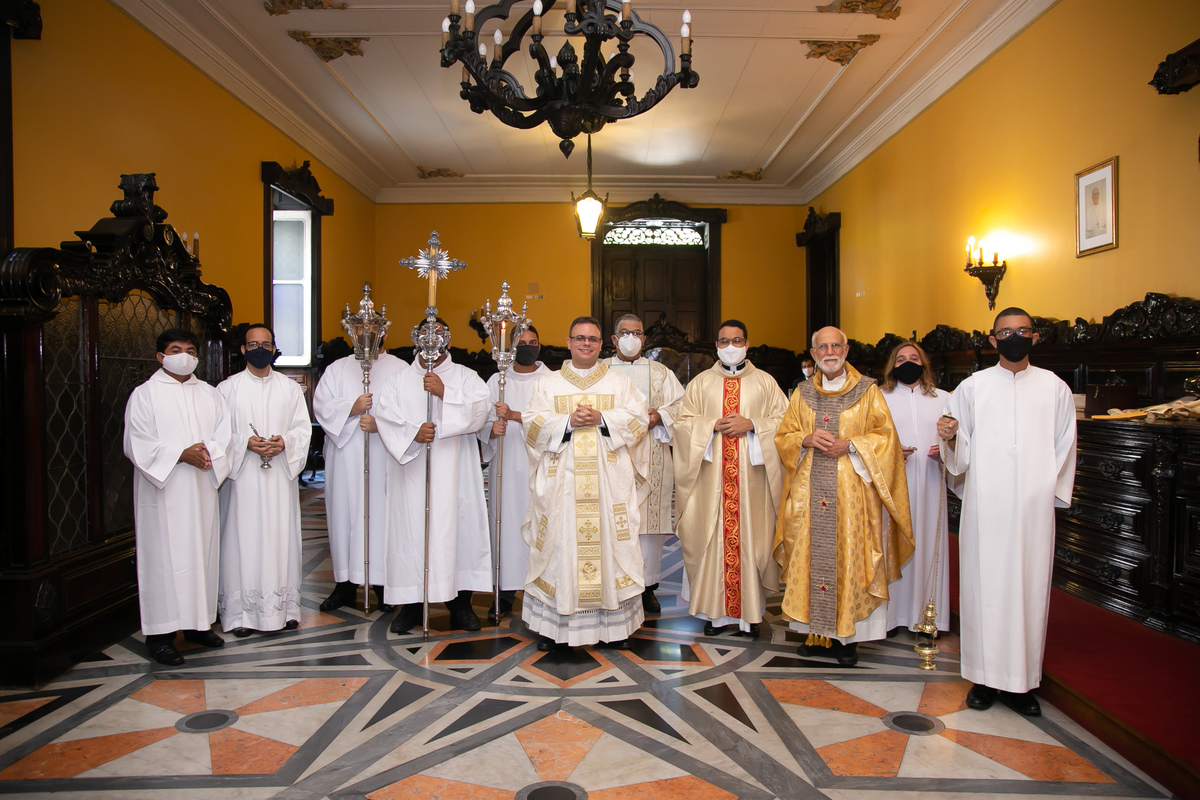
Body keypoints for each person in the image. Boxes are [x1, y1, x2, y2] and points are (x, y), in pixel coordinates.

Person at [938, 307, 1077, 717]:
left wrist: (1046, 491)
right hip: (986, 505)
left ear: (1034, 337)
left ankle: (1022, 683)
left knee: (1028, 590)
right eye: (1005, 332)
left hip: (1033, 508)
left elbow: (1065, 445)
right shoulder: (971, 387)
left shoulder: (1055, 388)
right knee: (984, 588)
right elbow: (957, 447)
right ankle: (982, 678)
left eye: (1022, 331)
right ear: (992, 339)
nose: (1014, 337)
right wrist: (948, 437)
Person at [773, 326, 913, 666]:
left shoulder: (868, 390)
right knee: (809, 557)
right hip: (810, 495)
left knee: (851, 556)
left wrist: (851, 445)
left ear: (846, 350)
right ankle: (815, 633)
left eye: (836, 345)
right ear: (813, 353)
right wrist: (805, 439)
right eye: (823, 347)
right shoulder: (802, 392)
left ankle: (848, 639)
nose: (830, 352)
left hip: (853, 497)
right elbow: (784, 435)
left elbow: (887, 439)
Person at [520, 316, 650, 650]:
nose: (586, 344)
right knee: (559, 547)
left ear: (600, 344)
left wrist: (601, 418)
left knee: (612, 547)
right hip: (562, 487)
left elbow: (639, 419)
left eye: (592, 339)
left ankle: (614, 628)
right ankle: (555, 629)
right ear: (568, 342)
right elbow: (531, 423)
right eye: (580, 338)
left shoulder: (619, 383)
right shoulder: (548, 384)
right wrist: (567, 422)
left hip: (608, 487)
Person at [374, 318, 492, 634]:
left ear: (449, 341)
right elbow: (385, 417)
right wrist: (412, 433)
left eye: (439, 334)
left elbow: (481, 412)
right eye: (426, 334)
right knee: (411, 534)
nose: (432, 340)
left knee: (458, 532)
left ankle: (461, 604)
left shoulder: (466, 377)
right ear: (416, 339)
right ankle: (411, 606)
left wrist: (444, 393)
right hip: (411, 474)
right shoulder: (398, 381)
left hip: (456, 473)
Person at [123, 328, 232, 665]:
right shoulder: (145, 395)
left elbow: (225, 436)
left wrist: (207, 453)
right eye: (175, 349)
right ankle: (160, 635)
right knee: (163, 561)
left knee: (202, 554)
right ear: (160, 356)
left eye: (190, 350)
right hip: (163, 492)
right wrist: (180, 454)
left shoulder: (211, 394)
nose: (184, 356)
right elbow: (136, 441)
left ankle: (199, 625)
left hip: (201, 489)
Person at [673, 320, 788, 637]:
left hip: (752, 483)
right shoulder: (700, 383)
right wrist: (710, 425)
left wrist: (753, 425)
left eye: (737, 340)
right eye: (724, 341)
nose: (730, 346)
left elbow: (787, 424)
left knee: (751, 542)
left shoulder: (765, 383)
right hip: (711, 483)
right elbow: (682, 424)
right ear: (716, 346)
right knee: (712, 541)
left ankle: (749, 616)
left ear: (747, 344)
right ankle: (715, 615)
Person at [216, 324, 312, 638]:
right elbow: (218, 434)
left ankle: (284, 611)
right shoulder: (226, 389)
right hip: (242, 479)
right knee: (242, 540)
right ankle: (241, 614)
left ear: (273, 348)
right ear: (243, 349)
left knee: (280, 538)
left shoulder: (289, 388)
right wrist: (244, 442)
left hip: (279, 480)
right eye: (253, 344)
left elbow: (302, 429)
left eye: (266, 344)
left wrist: (284, 442)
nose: (260, 349)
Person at [312, 335, 407, 612]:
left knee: (381, 517)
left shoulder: (400, 368)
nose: (367, 333)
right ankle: (344, 583)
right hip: (345, 456)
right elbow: (321, 407)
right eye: (361, 328)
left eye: (373, 328)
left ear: (384, 332)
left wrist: (382, 425)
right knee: (344, 516)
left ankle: (382, 583)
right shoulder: (337, 369)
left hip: (384, 457)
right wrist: (351, 409)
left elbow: (411, 413)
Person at [608, 314, 685, 613]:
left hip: (652, 455)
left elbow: (682, 406)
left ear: (644, 339)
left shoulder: (661, 373)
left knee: (648, 526)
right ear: (614, 339)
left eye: (637, 333)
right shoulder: (601, 371)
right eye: (624, 333)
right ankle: (614, 584)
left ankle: (647, 587)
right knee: (613, 522)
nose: (631, 338)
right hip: (612, 456)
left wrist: (660, 416)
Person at [477, 325, 550, 624]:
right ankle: (504, 592)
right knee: (505, 525)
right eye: (521, 342)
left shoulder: (551, 381)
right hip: (505, 466)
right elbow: (481, 417)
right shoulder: (498, 379)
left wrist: (515, 416)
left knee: (540, 527)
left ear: (540, 347)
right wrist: (490, 429)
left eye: (532, 342)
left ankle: (540, 592)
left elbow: (554, 422)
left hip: (541, 466)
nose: (527, 347)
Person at [879, 341, 950, 634]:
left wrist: (945, 449)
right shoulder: (879, 398)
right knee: (891, 543)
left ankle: (927, 616)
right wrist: (890, 452)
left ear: (924, 364)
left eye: (914, 358)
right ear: (892, 366)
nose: (908, 363)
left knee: (928, 543)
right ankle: (890, 617)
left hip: (931, 481)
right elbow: (868, 439)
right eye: (901, 359)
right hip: (892, 483)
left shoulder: (944, 399)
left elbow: (958, 438)